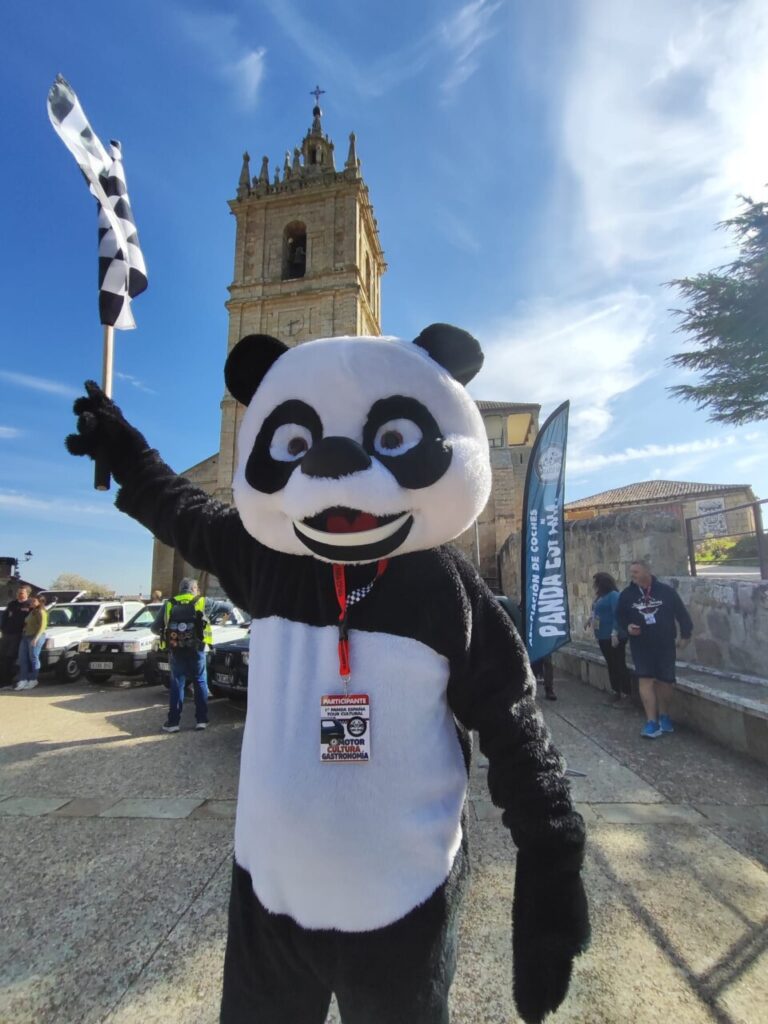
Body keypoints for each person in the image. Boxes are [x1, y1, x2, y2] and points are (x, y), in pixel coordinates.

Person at [616, 559, 693, 739]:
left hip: (665, 644)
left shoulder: (666, 592)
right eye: (631, 571)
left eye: (636, 571)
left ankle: (664, 715)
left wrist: (686, 635)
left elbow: (682, 614)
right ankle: (651, 721)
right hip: (641, 645)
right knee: (646, 680)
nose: (632, 575)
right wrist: (627, 627)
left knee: (666, 681)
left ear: (646, 572)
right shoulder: (627, 594)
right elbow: (619, 616)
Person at [152, 578, 233, 733]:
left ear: (180, 589)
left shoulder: (169, 603)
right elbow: (228, 606)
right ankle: (201, 720)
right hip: (197, 650)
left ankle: (173, 723)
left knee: (177, 685)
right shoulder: (203, 602)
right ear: (194, 588)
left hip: (176, 650)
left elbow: (154, 628)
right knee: (200, 682)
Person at [586, 572, 631, 707]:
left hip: (614, 636)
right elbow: (596, 611)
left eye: (596, 583)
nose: (594, 586)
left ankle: (626, 694)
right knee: (611, 664)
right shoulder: (600, 597)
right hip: (602, 636)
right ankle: (616, 691)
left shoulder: (613, 596)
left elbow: (618, 614)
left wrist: (614, 632)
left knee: (619, 663)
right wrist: (589, 620)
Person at [0, 585, 31, 688]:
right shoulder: (12, 604)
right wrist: (3, 629)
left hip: (18, 635)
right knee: (3, 657)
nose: (19, 594)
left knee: (11, 657)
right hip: (7, 634)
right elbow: (5, 617)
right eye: (18, 592)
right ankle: (3, 680)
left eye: (22, 593)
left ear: (27, 594)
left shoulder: (30, 605)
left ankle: (8, 681)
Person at [15, 594, 48, 690]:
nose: (32, 602)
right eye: (31, 600)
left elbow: (43, 626)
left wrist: (36, 638)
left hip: (35, 636)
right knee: (22, 658)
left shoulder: (41, 612)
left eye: (34, 601)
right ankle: (23, 679)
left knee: (33, 657)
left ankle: (33, 679)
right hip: (26, 636)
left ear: (40, 602)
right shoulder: (32, 611)